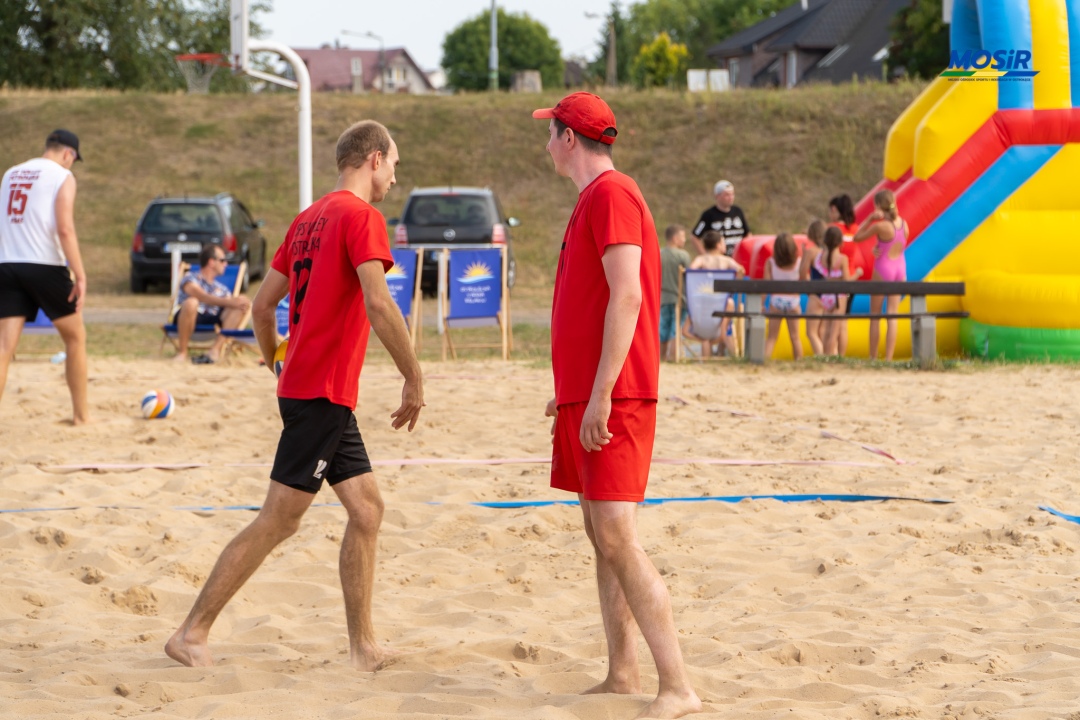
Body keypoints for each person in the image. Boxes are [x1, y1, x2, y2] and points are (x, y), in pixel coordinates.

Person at [165, 120, 424, 672]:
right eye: (395, 165)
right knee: (279, 520)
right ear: (374, 159)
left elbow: (262, 308)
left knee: (367, 510)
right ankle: (191, 632)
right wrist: (413, 376)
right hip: (321, 392)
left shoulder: (308, 219)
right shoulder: (362, 217)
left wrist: (276, 364)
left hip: (312, 388)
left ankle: (363, 647)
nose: (395, 178)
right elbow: (379, 303)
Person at [533, 92, 701, 719]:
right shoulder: (593, 199)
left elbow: (627, 296)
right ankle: (622, 673)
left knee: (617, 535)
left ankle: (678, 686)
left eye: (549, 133)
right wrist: (574, 387)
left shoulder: (612, 193)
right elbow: (593, 303)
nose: (545, 144)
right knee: (600, 535)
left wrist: (601, 391)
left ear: (568, 138)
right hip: (591, 392)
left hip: (619, 393)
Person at [0, 129, 90, 425]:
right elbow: (64, 229)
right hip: (44, 265)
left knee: (3, 348)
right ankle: (81, 416)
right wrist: (80, 274)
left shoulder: (10, 173)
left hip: (7, 263)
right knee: (75, 338)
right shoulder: (62, 176)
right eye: (73, 159)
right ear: (68, 154)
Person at [171, 244, 252, 364]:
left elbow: (233, 304)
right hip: (188, 319)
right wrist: (229, 302)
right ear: (211, 262)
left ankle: (215, 350)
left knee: (239, 307)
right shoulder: (190, 277)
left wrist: (240, 302)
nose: (226, 264)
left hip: (214, 322)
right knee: (191, 302)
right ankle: (182, 352)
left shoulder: (222, 289)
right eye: (222, 260)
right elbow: (202, 296)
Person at [854, 189, 908, 361]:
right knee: (893, 314)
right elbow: (897, 246)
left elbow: (856, 237)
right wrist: (877, 248)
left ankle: (873, 357)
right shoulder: (904, 223)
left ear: (878, 206)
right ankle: (889, 358)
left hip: (884, 269)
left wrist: (870, 219)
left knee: (875, 315)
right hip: (900, 269)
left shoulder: (880, 226)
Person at [684, 230, 745, 358]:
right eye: (723, 242)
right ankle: (733, 354)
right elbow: (741, 270)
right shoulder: (726, 261)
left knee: (706, 336)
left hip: (703, 306)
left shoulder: (701, 259)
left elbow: (690, 272)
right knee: (730, 304)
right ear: (718, 245)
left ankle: (709, 356)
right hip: (722, 304)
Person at [805, 225, 861, 356]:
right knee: (834, 332)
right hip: (839, 297)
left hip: (825, 295)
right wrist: (857, 274)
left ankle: (825, 356)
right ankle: (832, 357)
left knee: (825, 330)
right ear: (840, 242)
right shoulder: (842, 259)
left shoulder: (820, 257)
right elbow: (847, 282)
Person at [829, 193, 868, 356]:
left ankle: (831, 354)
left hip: (834, 281)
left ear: (834, 209)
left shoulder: (832, 229)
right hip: (850, 279)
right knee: (843, 322)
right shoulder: (854, 229)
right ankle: (841, 356)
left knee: (831, 322)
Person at [764, 232, 802, 360]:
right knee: (795, 337)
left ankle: (765, 361)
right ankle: (800, 362)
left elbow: (765, 286)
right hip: (793, 301)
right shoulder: (799, 263)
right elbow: (805, 281)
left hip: (776, 301)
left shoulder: (770, 263)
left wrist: (762, 303)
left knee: (771, 337)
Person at [691, 180, 751, 257]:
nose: (731, 197)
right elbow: (695, 236)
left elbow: (748, 234)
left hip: (738, 257)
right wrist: (705, 256)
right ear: (717, 196)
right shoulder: (709, 214)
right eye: (727, 195)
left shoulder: (738, 211)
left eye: (732, 194)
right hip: (719, 259)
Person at [658, 224, 690, 362]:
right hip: (679, 298)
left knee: (663, 328)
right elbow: (689, 277)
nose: (684, 240)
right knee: (676, 329)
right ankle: (673, 357)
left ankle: (661, 358)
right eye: (682, 237)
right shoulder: (682, 255)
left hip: (663, 298)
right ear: (675, 238)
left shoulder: (659, 254)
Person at [799, 220, 829, 356]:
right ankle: (828, 357)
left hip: (816, 294)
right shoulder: (829, 252)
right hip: (829, 294)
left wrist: (804, 255)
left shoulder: (811, 252)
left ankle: (821, 357)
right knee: (822, 331)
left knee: (811, 332)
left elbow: (802, 273)